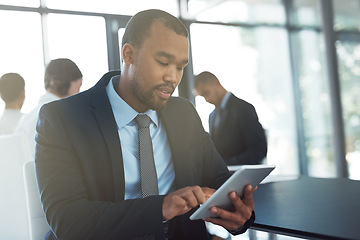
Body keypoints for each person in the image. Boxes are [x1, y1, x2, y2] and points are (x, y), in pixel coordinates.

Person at [35, 9, 256, 240]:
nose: (173, 77)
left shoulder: (183, 113)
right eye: (163, 62)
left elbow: (219, 181)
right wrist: (160, 208)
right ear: (129, 54)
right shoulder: (63, 118)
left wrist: (239, 215)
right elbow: (68, 220)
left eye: (180, 67)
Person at [194, 71, 267, 166]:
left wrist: (226, 165)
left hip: (244, 176)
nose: (206, 100)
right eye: (202, 96)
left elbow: (258, 150)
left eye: (206, 93)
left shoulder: (243, 108)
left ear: (216, 83)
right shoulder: (212, 116)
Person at [15, 58, 82, 154]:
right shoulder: (66, 117)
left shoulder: (25, 120)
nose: (79, 91)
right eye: (79, 85)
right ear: (68, 83)